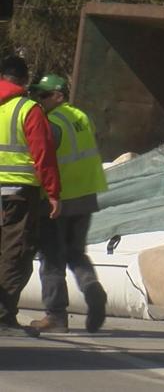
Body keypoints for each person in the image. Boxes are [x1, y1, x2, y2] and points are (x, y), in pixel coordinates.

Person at [28, 73, 107, 333]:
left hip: (58, 200)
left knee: (51, 258)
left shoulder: (51, 122)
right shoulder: (82, 118)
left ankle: (56, 316)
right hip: (86, 197)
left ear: (58, 95)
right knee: (76, 253)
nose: (38, 100)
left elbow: (42, 158)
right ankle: (92, 288)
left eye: (43, 95)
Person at [0, 55, 61, 337]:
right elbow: (43, 155)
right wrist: (53, 193)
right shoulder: (28, 109)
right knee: (16, 254)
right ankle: (3, 317)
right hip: (18, 194)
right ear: (24, 81)